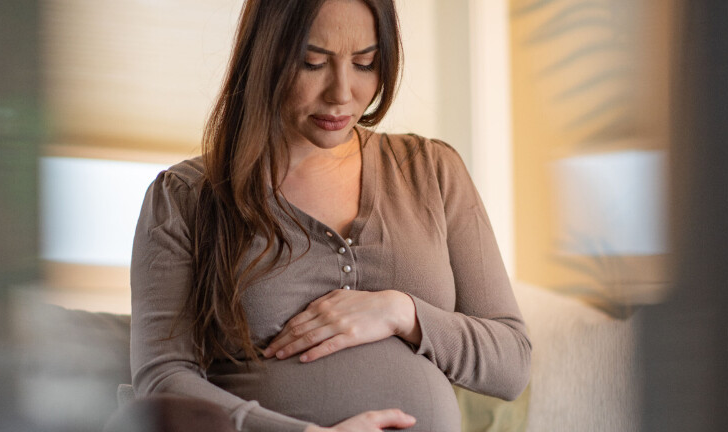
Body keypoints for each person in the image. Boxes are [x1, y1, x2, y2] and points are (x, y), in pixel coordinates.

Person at [128, 0, 531, 431]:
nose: (341, 93)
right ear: (265, 55)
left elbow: (511, 364)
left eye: (365, 63)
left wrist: (401, 313)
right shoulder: (186, 197)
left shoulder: (431, 170)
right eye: (313, 62)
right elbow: (163, 380)